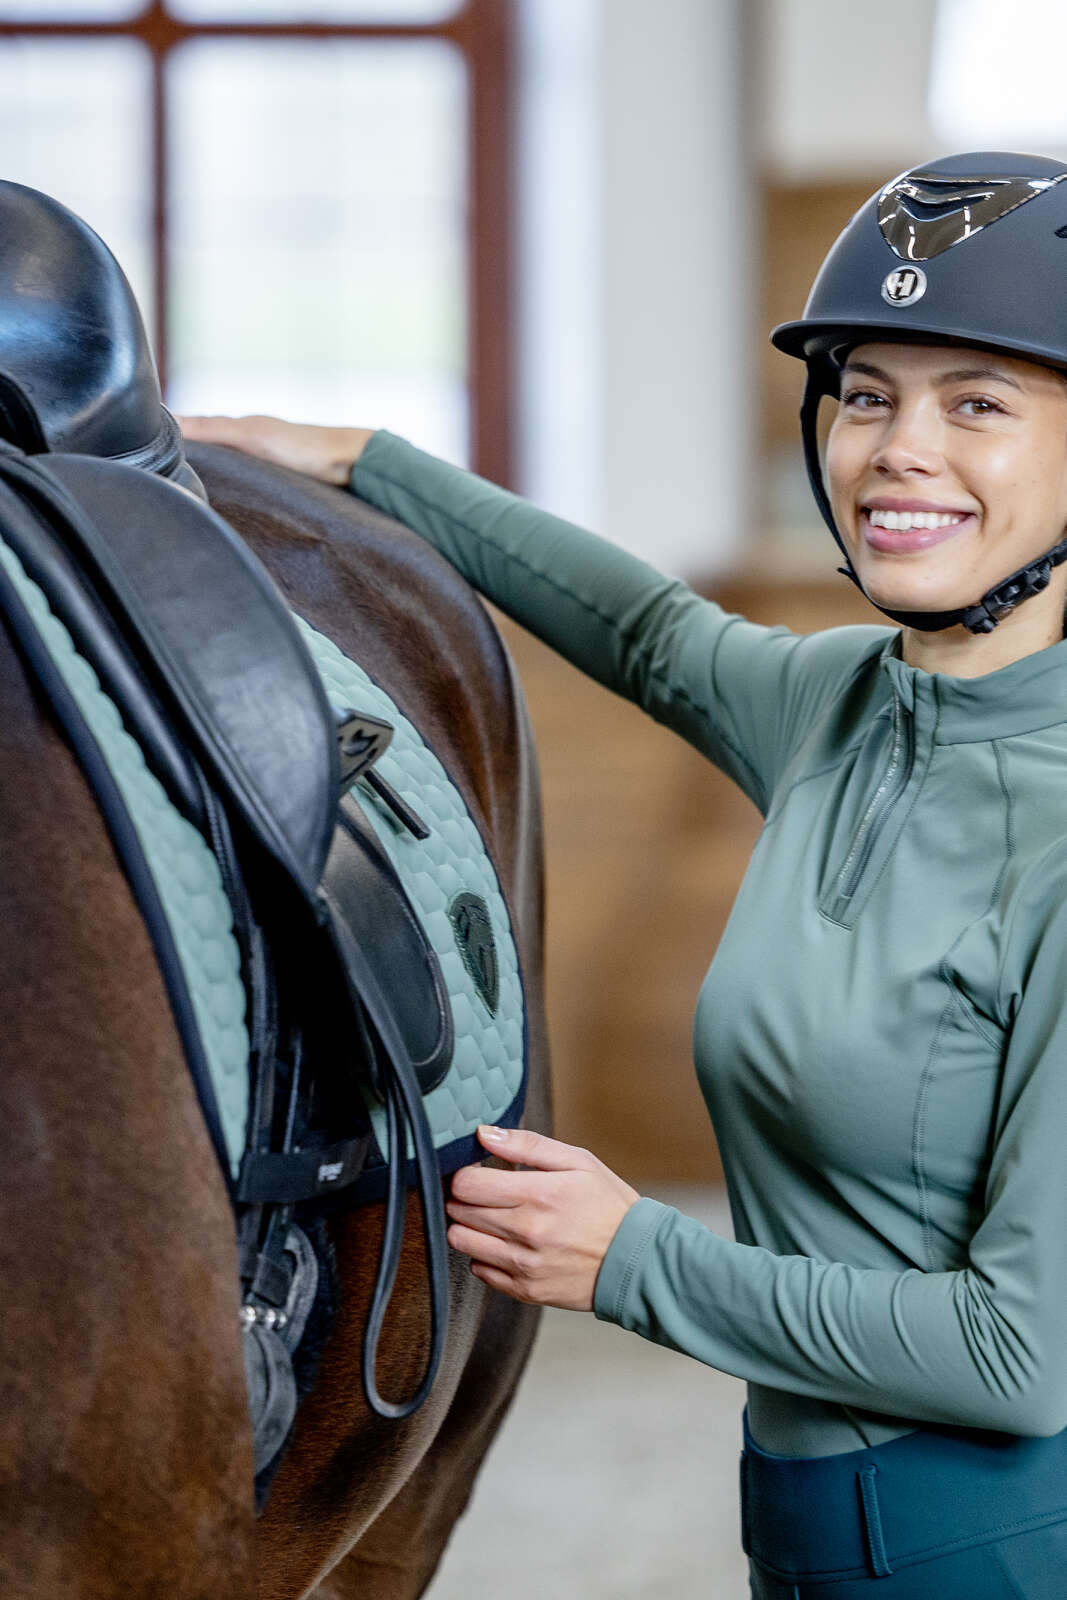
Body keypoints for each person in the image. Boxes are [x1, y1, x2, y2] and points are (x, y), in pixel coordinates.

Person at [181, 150, 1067, 1597]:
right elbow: (649, 631)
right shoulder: (841, 705)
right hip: (812, 1522)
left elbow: (1019, 1356)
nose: (899, 448)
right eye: (866, 396)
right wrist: (360, 460)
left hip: (998, 1544)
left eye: (977, 404)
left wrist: (627, 1254)